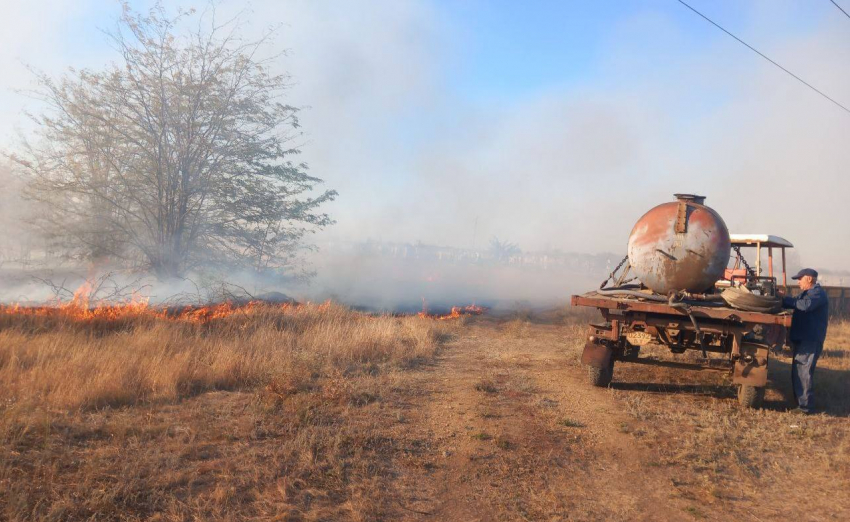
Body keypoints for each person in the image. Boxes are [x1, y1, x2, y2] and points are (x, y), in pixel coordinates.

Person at [781, 268, 829, 414]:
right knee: (799, 370)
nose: (798, 281)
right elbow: (797, 302)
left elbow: (804, 305)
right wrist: (782, 299)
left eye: (800, 278)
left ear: (809, 278)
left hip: (810, 340)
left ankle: (805, 407)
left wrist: (784, 299)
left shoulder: (817, 294)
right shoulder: (808, 293)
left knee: (803, 371)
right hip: (804, 338)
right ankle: (801, 403)